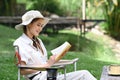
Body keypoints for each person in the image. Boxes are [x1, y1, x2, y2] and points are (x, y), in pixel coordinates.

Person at [13, 10, 97, 80]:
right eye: (38, 25)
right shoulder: (20, 43)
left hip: (50, 75)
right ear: (28, 24)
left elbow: (46, 63)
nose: (40, 29)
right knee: (84, 74)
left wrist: (60, 61)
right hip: (40, 78)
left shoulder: (38, 41)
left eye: (42, 26)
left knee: (84, 74)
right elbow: (22, 70)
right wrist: (46, 65)